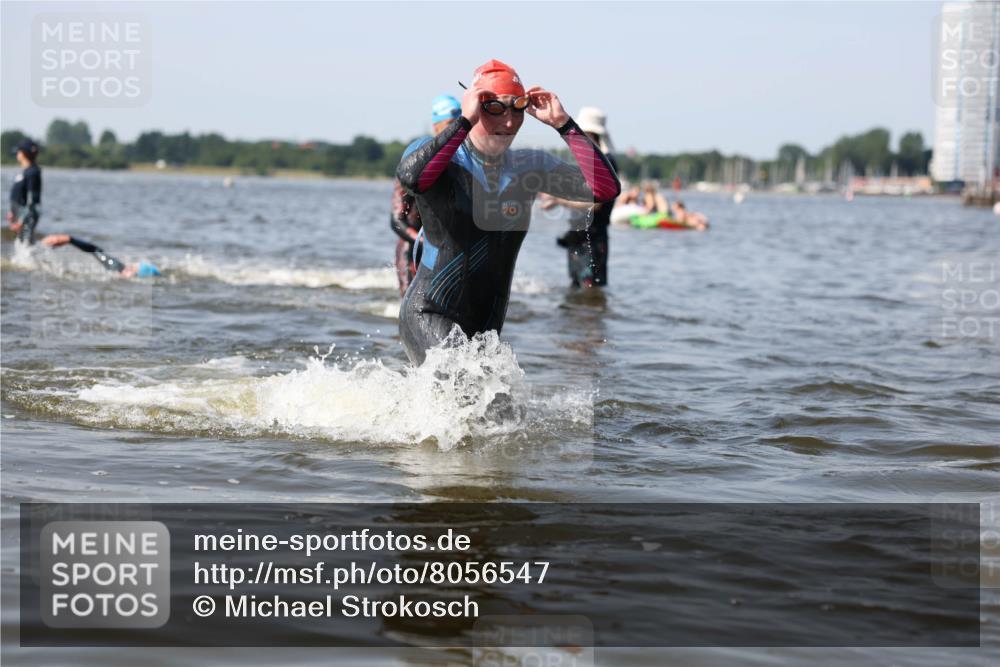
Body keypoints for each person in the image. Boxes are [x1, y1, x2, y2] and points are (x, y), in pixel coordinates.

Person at [396, 59, 620, 364]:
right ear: (476, 104)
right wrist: (464, 121)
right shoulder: (438, 154)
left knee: (498, 408)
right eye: (496, 108)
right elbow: (411, 178)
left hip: (486, 328)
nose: (511, 121)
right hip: (429, 313)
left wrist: (564, 125)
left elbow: (604, 190)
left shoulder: (530, 167)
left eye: (518, 108)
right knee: (462, 382)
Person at [391, 94, 462, 296]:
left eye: (458, 124)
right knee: (410, 308)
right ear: (436, 127)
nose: (454, 131)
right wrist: (428, 242)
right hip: (413, 249)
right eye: (449, 124)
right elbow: (396, 221)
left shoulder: (464, 164)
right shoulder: (416, 163)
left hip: (448, 253)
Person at [541, 106, 618, 288]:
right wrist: (555, 199)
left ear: (591, 134)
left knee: (590, 291)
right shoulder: (588, 160)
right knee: (576, 292)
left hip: (593, 238)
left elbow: (595, 204)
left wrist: (559, 200)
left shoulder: (605, 163)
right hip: (578, 235)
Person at [40, 234, 161, 278]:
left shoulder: (118, 269)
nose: (131, 267)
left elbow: (95, 251)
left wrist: (70, 239)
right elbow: (96, 251)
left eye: (134, 268)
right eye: (133, 267)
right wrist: (70, 239)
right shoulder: (117, 268)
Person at [7, 139, 42, 244]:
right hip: (19, 212)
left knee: (26, 243)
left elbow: (32, 200)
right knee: (21, 242)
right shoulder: (25, 171)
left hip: (27, 215)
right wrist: (11, 211)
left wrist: (22, 220)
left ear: (23, 153)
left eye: (18, 152)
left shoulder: (33, 172)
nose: (17, 154)